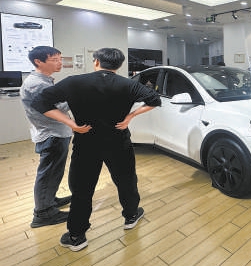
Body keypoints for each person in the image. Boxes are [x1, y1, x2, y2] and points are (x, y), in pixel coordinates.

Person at [32, 48, 161, 252]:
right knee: (126, 180)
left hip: (86, 142)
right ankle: (131, 215)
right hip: (118, 142)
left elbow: (39, 102)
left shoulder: (74, 82)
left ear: (96, 62)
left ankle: (76, 235)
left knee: (82, 189)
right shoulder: (128, 84)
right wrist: (130, 117)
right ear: (119, 65)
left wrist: (71, 124)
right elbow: (155, 99)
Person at [20, 46, 73, 228]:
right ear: (38, 61)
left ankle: (49, 200)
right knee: (49, 172)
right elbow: (59, 107)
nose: (60, 63)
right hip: (52, 133)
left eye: (60, 59)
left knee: (53, 172)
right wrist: (77, 92)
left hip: (55, 132)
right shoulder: (37, 84)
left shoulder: (44, 81)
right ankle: (43, 213)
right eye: (55, 60)